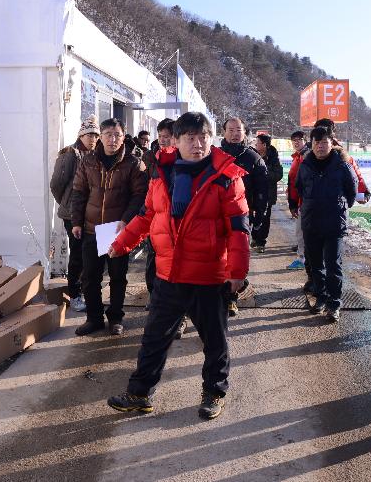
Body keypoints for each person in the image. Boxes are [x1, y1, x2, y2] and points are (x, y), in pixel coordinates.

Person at [106, 112, 250, 420]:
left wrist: (237, 271)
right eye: (190, 138)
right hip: (168, 275)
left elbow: (239, 228)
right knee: (154, 338)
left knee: (215, 341)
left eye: (203, 138)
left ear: (211, 139)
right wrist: (121, 243)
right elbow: (147, 216)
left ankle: (214, 392)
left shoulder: (227, 176)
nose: (198, 145)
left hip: (208, 277)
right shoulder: (162, 173)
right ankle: (140, 394)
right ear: (177, 140)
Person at [71, 118, 147, 336]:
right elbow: (79, 192)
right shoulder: (87, 161)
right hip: (91, 229)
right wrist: (76, 221)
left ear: (123, 137)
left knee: (117, 276)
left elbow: (139, 195)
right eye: (108, 135)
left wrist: (126, 219)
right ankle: (94, 318)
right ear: (100, 137)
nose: (112, 139)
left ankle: (115, 318)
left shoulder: (132, 163)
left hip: (116, 230)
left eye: (117, 135)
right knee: (90, 277)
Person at [295, 127, 357, 322]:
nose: (320, 147)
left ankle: (334, 303)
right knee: (315, 265)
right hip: (311, 223)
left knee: (333, 265)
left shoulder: (342, 165)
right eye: (316, 143)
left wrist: (339, 207)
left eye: (324, 142)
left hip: (334, 224)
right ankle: (320, 298)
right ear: (311, 144)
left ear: (331, 143)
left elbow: (351, 192)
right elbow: (299, 188)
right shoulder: (305, 165)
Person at [49, 115, 100, 312]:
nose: (93, 139)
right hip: (72, 214)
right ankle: (75, 294)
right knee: (77, 254)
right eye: (89, 135)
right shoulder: (70, 154)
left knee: (90, 253)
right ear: (81, 135)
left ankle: (86, 290)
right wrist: (66, 204)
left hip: (90, 213)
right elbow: (56, 184)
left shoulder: (95, 154)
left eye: (96, 135)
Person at [142, 118, 187, 339]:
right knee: (155, 270)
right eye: (160, 137)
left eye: (167, 137)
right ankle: (157, 304)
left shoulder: (187, 163)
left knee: (179, 278)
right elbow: (150, 199)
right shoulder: (154, 159)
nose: (163, 141)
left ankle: (180, 319)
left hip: (180, 233)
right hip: (158, 229)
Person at [220, 117, 268, 315]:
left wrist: (259, 215)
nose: (234, 133)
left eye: (238, 130)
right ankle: (221, 291)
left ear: (244, 133)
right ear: (223, 132)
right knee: (218, 257)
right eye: (230, 129)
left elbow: (262, 190)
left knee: (236, 258)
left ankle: (231, 298)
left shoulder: (253, 157)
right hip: (216, 215)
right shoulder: (214, 154)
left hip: (242, 216)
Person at [314, 118, 370, 203]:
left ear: (332, 134)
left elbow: (354, 175)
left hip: (335, 208)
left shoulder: (342, 154)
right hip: (311, 208)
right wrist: (294, 203)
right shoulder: (308, 153)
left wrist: (362, 193)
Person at [252, 133, 284, 253]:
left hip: (267, 194)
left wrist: (264, 174)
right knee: (252, 217)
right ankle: (254, 237)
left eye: (258, 142)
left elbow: (278, 174)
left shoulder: (273, 157)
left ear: (264, 145)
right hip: (253, 193)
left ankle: (261, 243)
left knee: (265, 219)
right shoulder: (253, 155)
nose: (256, 144)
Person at [286, 131, 310, 270]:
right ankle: (304, 258)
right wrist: (293, 203)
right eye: (294, 140)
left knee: (301, 232)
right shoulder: (297, 157)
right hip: (300, 202)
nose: (296, 142)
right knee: (300, 232)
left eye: (299, 139)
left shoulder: (307, 156)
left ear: (305, 140)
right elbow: (293, 182)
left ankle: (303, 259)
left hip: (306, 202)